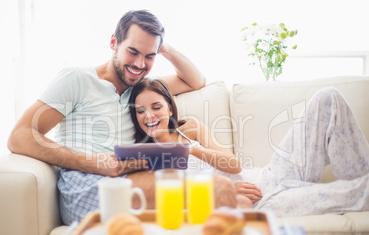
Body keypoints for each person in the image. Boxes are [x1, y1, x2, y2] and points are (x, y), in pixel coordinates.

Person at [7, 10, 239, 225]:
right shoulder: (77, 79)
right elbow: (20, 136)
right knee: (219, 190)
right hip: (90, 186)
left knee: (231, 199)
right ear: (113, 43)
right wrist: (94, 163)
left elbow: (195, 80)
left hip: (132, 180)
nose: (140, 64)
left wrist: (163, 47)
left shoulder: (139, 92)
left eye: (149, 56)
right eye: (133, 51)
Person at [129, 77, 369, 217]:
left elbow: (233, 165)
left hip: (268, 175)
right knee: (357, 192)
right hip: (258, 203)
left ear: (170, 108)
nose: (149, 115)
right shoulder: (146, 157)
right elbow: (170, 202)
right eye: (140, 111)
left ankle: (358, 172)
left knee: (328, 97)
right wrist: (226, 194)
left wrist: (189, 149)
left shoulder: (190, 128)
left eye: (156, 106)